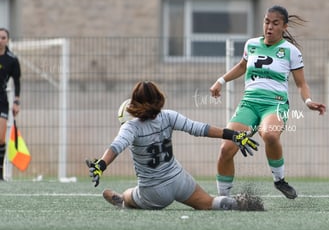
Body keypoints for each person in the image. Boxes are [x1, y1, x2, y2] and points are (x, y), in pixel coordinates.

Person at [87, 81, 264, 211]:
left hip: (153, 190)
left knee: (126, 194)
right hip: (180, 180)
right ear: (159, 98)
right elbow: (199, 129)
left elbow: (116, 146)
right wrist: (233, 135)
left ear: (134, 102)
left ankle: (125, 201)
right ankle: (236, 202)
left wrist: (101, 165)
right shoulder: (168, 116)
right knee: (209, 203)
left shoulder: (130, 127)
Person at [210, 5, 326, 199]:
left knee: (270, 135)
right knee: (226, 149)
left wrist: (308, 101)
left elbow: (301, 83)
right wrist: (221, 81)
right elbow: (242, 66)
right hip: (249, 103)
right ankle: (223, 198)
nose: (269, 27)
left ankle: (279, 180)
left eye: (275, 23)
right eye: (266, 22)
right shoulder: (252, 44)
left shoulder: (291, 52)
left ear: (284, 27)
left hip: (275, 104)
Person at [0, 28, 21, 181]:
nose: (0, 40)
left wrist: (16, 102)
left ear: (7, 40)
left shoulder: (11, 59)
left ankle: (0, 173)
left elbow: (17, 82)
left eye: (3, 37)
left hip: (2, 100)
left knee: (1, 138)